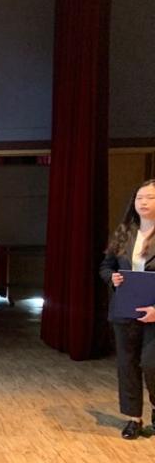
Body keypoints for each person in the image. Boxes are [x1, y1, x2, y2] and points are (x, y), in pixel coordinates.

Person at [99, 179, 155, 440]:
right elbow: (106, 266)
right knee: (127, 364)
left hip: (154, 313)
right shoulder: (124, 232)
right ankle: (134, 418)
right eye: (139, 198)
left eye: (150, 197)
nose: (143, 202)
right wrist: (112, 278)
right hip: (125, 310)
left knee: (151, 363)